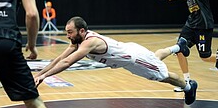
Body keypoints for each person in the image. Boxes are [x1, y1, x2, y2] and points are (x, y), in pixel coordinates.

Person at [34, 16, 198, 105]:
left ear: (82, 30)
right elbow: (59, 58)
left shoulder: (89, 42)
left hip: (136, 60)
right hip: (131, 51)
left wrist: (45, 77)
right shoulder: (78, 41)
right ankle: (179, 46)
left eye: (70, 32)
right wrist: (39, 74)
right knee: (156, 58)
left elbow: (66, 63)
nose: (67, 36)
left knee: (164, 76)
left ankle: (189, 86)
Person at [157, 0, 217, 91]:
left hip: (203, 23)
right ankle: (187, 82)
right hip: (191, 23)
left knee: (205, 57)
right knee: (180, 50)